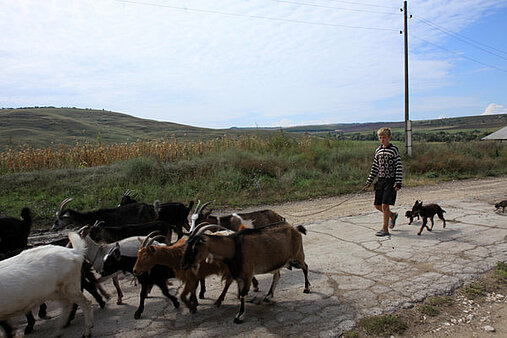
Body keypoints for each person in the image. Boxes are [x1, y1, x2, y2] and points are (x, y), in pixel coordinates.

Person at [365, 127, 402, 236]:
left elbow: (399, 166)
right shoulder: (378, 150)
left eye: (384, 138)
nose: (382, 140)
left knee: (385, 205)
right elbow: (375, 167)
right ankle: (392, 215)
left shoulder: (394, 150)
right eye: (380, 138)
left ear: (389, 138)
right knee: (377, 205)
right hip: (380, 181)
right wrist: (369, 180)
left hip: (390, 181)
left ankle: (385, 229)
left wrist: (398, 181)